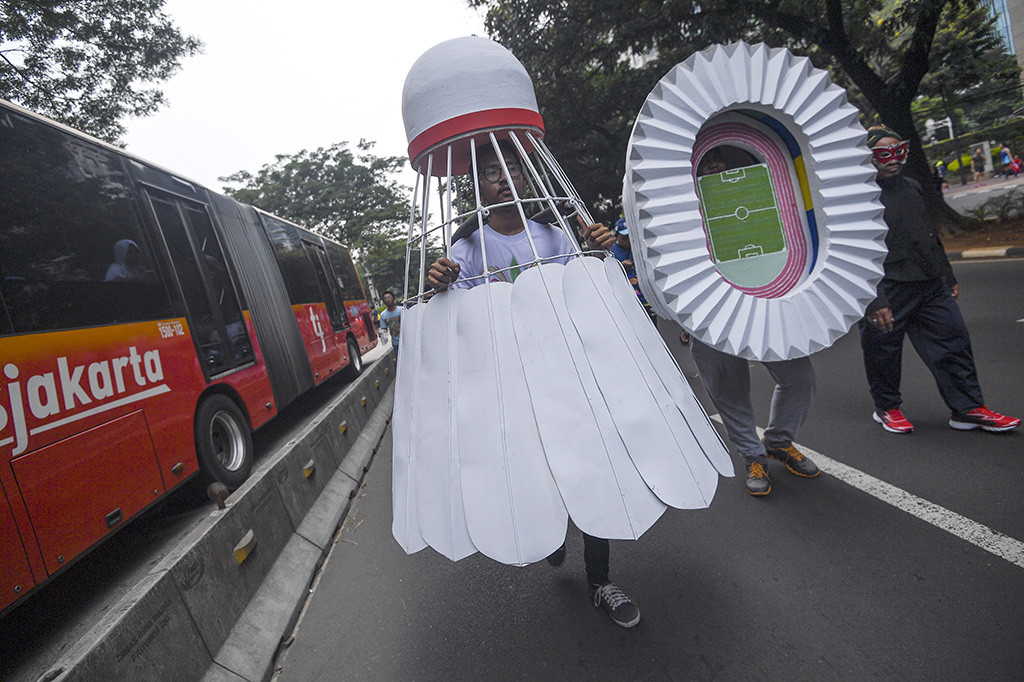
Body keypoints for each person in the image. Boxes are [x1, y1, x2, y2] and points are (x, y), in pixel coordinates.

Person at [427, 140, 641, 628]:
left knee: (588, 469)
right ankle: (552, 535)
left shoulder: (554, 235)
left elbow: (585, 290)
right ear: (477, 186)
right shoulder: (464, 250)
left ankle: (600, 582)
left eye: (512, 170)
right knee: (541, 471)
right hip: (511, 384)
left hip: (566, 372)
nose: (504, 179)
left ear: (524, 177)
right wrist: (441, 284)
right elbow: (457, 323)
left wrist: (599, 252)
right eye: (491, 173)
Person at [861, 126, 1019, 434]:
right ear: (868, 158)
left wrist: (947, 275)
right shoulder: (859, 197)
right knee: (884, 351)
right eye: (883, 154)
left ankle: (967, 408)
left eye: (899, 151)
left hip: (930, 283)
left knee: (953, 341)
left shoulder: (912, 186)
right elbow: (856, 253)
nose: (893, 159)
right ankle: (887, 408)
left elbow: (929, 236)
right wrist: (874, 299)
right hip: (889, 286)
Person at [686, 144, 820, 497]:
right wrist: (682, 313)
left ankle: (778, 440)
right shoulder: (682, 214)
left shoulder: (765, 198)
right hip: (710, 314)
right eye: (708, 160)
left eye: (722, 158)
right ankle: (753, 455)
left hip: (769, 304)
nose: (715, 165)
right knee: (728, 389)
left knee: (799, 377)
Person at [610, 217, 657, 326]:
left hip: (645, 297)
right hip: (628, 300)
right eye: (624, 238)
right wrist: (621, 266)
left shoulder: (637, 247)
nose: (628, 240)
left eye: (629, 237)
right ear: (616, 236)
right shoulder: (611, 251)